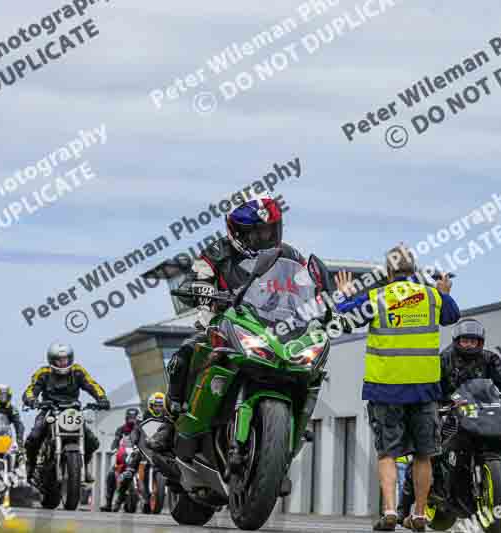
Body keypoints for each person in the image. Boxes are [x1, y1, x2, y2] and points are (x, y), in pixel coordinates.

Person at [148, 195, 304, 453]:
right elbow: (198, 278)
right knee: (185, 354)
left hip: (275, 328)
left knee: (306, 365)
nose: (265, 238)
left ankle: (290, 418)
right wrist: (204, 296)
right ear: (238, 233)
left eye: (270, 230)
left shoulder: (290, 255)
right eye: (257, 233)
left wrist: (323, 299)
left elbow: (307, 284)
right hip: (226, 323)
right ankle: (170, 421)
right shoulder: (215, 253)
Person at [335, 244, 460, 532]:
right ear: (414, 271)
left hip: (385, 389)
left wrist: (343, 294)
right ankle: (418, 514)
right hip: (424, 390)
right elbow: (452, 315)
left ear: (389, 273)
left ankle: (390, 510)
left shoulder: (378, 297)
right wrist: (443, 290)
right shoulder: (431, 296)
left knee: (387, 453)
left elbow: (346, 318)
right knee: (424, 454)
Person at [397, 318, 501, 526]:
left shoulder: (490, 359)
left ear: (480, 342)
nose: (469, 344)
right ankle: (402, 508)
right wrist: (431, 404)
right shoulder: (444, 359)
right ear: (457, 341)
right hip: (447, 411)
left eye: (473, 341)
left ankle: (484, 490)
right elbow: (430, 385)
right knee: (425, 452)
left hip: (479, 413)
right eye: (465, 341)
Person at [23, 342, 110, 484]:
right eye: (59, 360)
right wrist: (32, 400)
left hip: (72, 411)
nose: (63, 363)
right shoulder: (43, 373)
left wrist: (102, 398)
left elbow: (91, 384)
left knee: (92, 442)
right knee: (34, 436)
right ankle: (31, 467)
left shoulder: (77, 371)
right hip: (49, 410)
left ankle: (84, 466)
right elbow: (31, 389)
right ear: (52, 360)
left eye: (66, 359)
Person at [100, 407, 141, 512]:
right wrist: (114, 447)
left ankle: (147, 502)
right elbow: (116, 439)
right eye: (130, 418)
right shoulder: (121, 429)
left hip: (139, 456)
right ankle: (108, 503)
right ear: (126, 418)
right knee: (111, 474)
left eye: (134, 418)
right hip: (124, 455)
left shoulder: (141, 429)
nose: (132, 420)